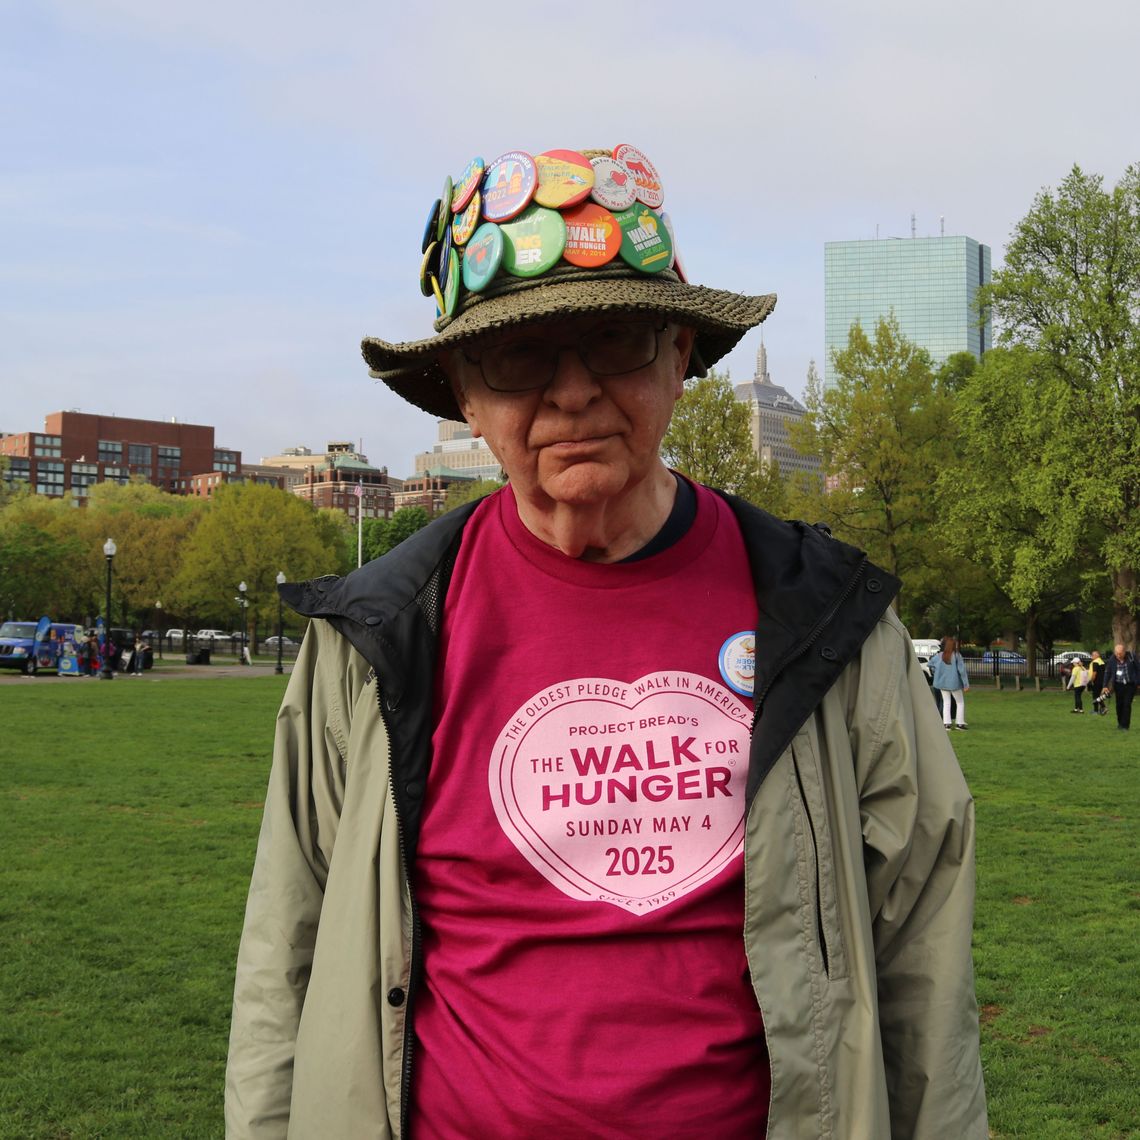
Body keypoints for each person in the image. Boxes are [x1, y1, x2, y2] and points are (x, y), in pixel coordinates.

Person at [226, 144, 987, 1139]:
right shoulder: (374, 640)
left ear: (679, 357)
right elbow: (284, 963)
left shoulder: (830, 616)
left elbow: (921, 961)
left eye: (618, 339)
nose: (574, 392)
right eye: (520, 356)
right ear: (463, 390)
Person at [929, 635, 970, 730]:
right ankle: (960, 724)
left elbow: (930, 664)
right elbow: (962, 671)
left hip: (942, 683)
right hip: (954, 684)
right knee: (960, 702)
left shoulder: (939, 656)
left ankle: (946, 724)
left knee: (946, 703)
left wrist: (936, 671)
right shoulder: (956, 656)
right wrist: (966, 684)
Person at [1102, 643, 1140, 730]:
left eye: (1120, 653)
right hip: (1118, 685)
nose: (1118, 655)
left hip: (1130, 685)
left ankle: (1125, 726)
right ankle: (1120, 724)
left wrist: (1138, 682)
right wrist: (1105, 685)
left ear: (1124, 652)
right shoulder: (1112, 659)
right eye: (1116, 653)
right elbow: (1108, 672)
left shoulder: (1131, 657)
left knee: (1127, 704)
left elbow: (1138, 669)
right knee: (1119, 705)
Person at [1089, 648, 1108, 715]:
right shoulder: (1101, 661)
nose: (1092, 656)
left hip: (1096, 682)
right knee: (1099, 696)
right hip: (1102, 681)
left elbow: (1094, 673)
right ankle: (1102, 708)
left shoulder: (1095, 662)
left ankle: (1096, 710)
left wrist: (1091, 680)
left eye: (1093, 655)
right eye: (1092, 655)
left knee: (1095, 696)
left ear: (1097, 655)